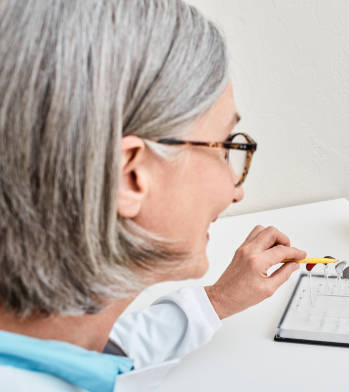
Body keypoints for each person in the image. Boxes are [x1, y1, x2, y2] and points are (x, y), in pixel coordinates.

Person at [0, 1, 305, 391]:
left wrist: (217, 301)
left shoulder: (50, 341)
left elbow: (99, 354)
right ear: (131, 175)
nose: (236, 189)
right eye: (225, 146)